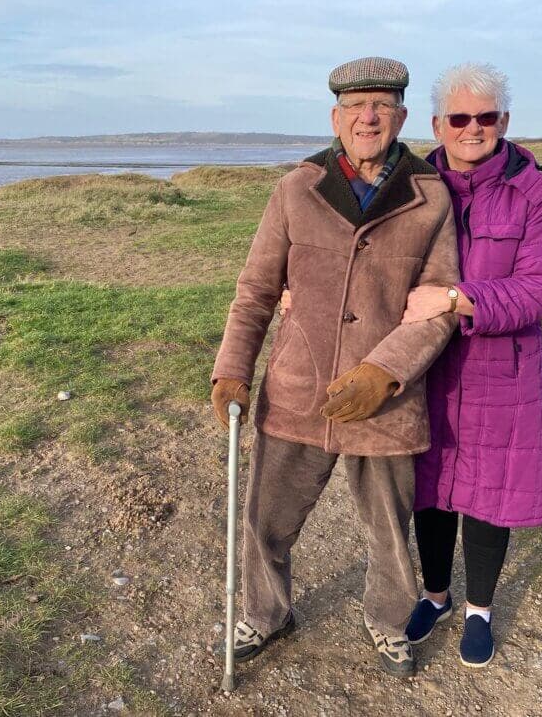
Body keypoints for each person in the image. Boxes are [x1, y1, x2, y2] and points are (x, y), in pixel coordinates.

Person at [211, 56, 460, 678]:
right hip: (298, 387)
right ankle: (267, 614)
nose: (367, 117)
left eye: (380, 106)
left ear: (401, 117)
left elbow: (438, 307)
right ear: (336, 117)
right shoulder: (296, 189)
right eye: (355, 108)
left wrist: (385, 372)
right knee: (267, 521)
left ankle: (388, 621)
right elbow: (255, 290)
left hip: (387, 398)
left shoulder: (431, 198)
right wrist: (231, 370)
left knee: (388, 531)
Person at [401, 63, 542, 668]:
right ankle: (435, 594)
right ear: (437, 125)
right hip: (432, 365)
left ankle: (479, 609)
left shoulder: (537, 194)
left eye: (486, 117)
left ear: (504, 121)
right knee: (433, 487)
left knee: (490, 494)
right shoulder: (415, 188)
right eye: (460, 117)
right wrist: (300, 291)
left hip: (504, 368)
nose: (473, 128)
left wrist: (458, 299)